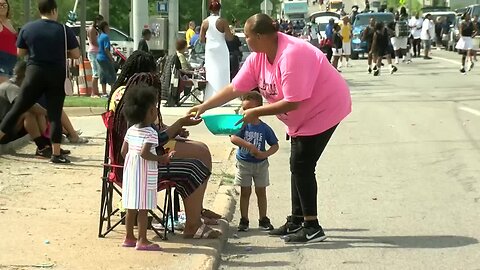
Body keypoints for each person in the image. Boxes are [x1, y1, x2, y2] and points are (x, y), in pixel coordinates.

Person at [189, 13, 352, 244]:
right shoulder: (258, 57)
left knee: (303, 164)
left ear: (260, 35)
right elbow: (235, 88)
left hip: (324, 109)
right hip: (300, 118)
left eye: (247, 36)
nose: (244, 40)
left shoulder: (291, 54)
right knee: (296, 164)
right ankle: (297, 220)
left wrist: (256, 112)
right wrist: (203, 106)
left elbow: (293, 101)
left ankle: (312, 226)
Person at [0, 0, 80, 164]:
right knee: (55, 114)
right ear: (54, 11)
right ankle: (56, 154)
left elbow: (20, 52)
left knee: (17, 108)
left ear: (39, 11)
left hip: (34, 73)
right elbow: (76, 54)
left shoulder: (28, 28)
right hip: (56, 74)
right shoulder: (64, 30)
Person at [121, 85, 172, 251]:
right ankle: (142, 240)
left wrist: (131, 163)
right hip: (144, 172)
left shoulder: (130, 130)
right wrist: (162, 158)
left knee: (131, 206)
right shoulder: (151, 132)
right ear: (151, 111)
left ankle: (129, 237)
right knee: (143, 208)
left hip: (131, 171)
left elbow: (123, 152)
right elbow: (145, 153)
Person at [0, 61, 86, 155]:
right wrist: (49, 113)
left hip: (9, 128)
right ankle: (41, 146)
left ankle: (47, 145)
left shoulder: (19, 87)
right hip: (3, 131)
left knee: (38, 113)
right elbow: (26, 105)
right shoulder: (10, 87)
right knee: (28, 113)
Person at [231, 91, 279, 232]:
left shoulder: (264, 128)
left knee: (261, 192)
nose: (246, 112)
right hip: (244, 164)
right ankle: (244, 219)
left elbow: (275, 145)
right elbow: (233, 137)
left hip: (260, 165)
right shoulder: (242, 124)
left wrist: (264, 154)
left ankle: (263, 218)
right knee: (245, 192)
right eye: (244, 109)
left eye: (249, 109)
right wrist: (249, 146)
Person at [200, 0, 232, 100]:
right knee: (222, 71)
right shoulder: (222, 21)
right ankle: (223, 96)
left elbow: (201, 39)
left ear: (209, 9)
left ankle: (210, 96)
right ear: (219, 9)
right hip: (221, 48)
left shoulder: (205, 22)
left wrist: (210, 40)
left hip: (210, 49)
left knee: (211, 71)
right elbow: (229, 38)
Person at [97, 21, 116, 97]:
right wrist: (111, 58)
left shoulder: (100, 36)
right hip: (105, 58)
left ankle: (104, 92)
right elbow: (106, 49)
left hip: (99, 57)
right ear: (105, 28)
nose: (109, 29)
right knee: (111, 74)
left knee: (103, 74)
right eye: (107, 27)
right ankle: (112, 92)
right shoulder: (106, 37)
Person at [0, 0, 17, 84]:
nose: (2, 7)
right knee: (3, 88)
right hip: (2, 59)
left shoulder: (10, 22)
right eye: (0, 4)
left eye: (4, 5)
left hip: (13, 60)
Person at [87, 14, 103, 98]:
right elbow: (93, 42)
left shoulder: (96, 29)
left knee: (98, 72)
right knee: (95, 72)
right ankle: (94, 93)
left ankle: (96, 91)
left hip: (97, 52)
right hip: (93, 52)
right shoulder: (92, 29)